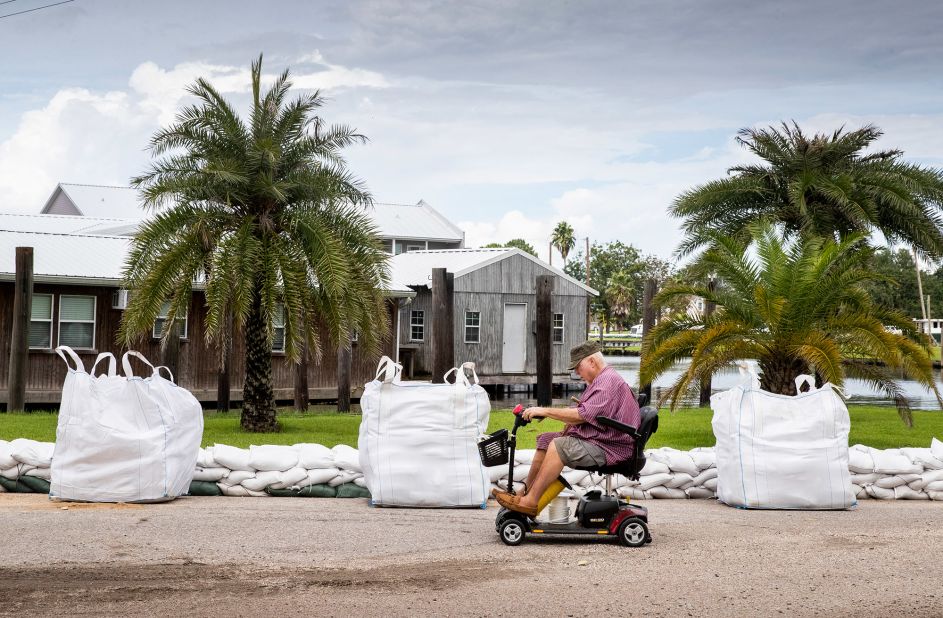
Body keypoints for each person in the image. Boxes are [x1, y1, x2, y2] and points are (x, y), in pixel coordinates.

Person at [493, 341, 641, 517]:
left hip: (610, 447)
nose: (577, 373)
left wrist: (546, 410)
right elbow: (588, 413)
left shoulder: (607, 382)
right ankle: (524, 492)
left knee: (559, 445)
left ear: (592, 361)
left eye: (578, 367)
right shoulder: (602, 380)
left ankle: (531, 501)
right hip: (602, 439)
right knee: (546, 440)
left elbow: (581, 415)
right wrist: (548, 414)